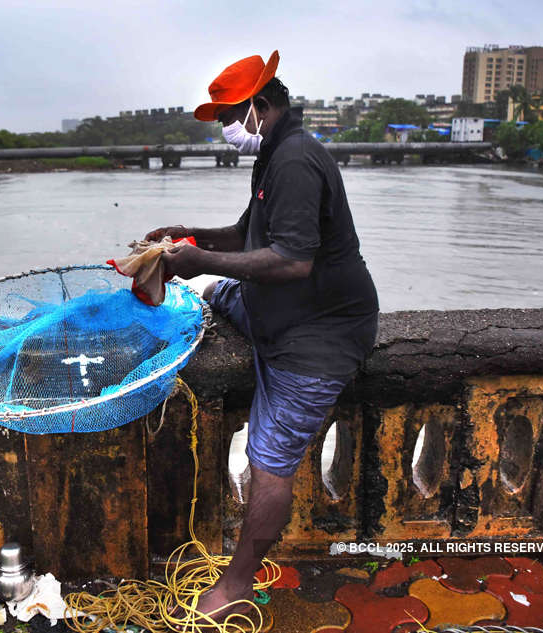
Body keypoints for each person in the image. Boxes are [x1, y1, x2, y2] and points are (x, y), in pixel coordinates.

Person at [145, 50, 379, 625]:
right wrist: (190, 237)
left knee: (268, 462)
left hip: (316, 335)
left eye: (229, 114)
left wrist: (199, 259)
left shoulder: (297, 159)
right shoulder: (274, 155)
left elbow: (293, 260)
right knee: (204, 298)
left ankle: (237, 581)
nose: (226, 128)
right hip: (271, 310)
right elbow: (249, 236)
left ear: (260, 106)